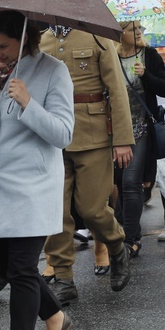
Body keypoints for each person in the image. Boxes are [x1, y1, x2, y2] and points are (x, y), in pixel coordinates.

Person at [0, 10, 74, 330]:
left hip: (31, 186)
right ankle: (55, 316)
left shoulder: (53, 71)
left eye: (3, 46)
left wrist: (28, 102)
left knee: (23, 270)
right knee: (10, 268)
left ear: (25, 38)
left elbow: (62, 134)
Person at [40, 25, 134, 305]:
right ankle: (64, 277)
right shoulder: (41, 40)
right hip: (52, 135)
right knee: (54, 212)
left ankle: (117, 246)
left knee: (92, 209)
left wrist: (122, 139)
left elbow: (116, 88)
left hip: (92, 133)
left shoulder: (96, 37)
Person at [115, 21, 165, 258]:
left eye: (140, 29)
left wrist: (145, 75)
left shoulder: (149, 55)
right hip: (115, 129)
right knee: (118, 185)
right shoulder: (110, 56)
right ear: (120, 33)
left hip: (141, 127)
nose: (138, 33)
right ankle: (119, 233)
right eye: (132, 30)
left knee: (131, 182)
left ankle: (131, 239)